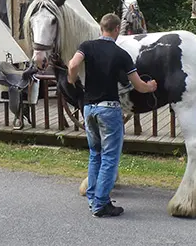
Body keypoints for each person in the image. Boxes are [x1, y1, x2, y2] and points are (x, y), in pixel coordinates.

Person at [67, 13, 157, 217]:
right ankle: (101, 204)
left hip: (89, 109)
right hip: (109, 110)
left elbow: (73, 65)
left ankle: (93, 199)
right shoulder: (121, 54)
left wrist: (72, 80)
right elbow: (138, 86)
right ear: (117, 29)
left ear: (101, 29)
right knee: (109, 157)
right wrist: (150, 86)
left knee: (95, 154)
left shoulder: (87, 46)